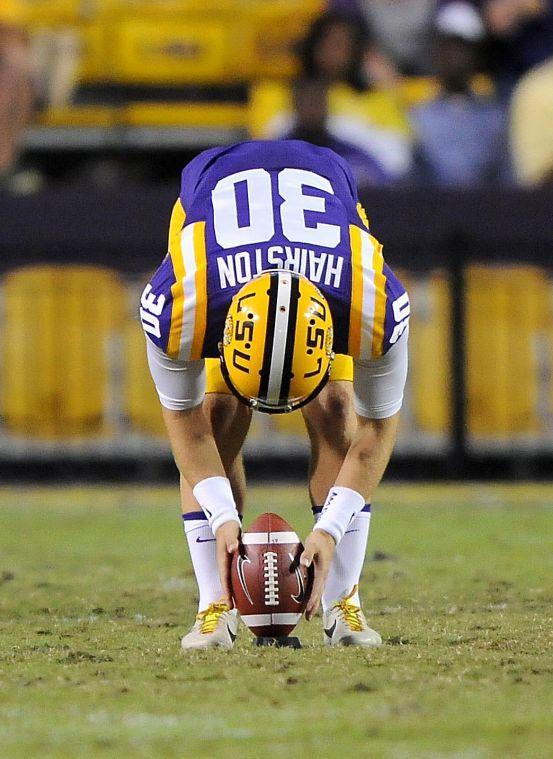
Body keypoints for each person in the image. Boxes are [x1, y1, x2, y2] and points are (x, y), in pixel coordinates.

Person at [140, 139, 410, 650]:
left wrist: (328, 531)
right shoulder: (184, 298)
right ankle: (213, 606)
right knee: (217, 412)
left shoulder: (371, 299)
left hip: (326, 214)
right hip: (213, 205)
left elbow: (375, 430)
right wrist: (221, 517)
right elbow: (186, 423)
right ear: (221, 336)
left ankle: (342, 600)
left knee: (335, 407)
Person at [409, 2, 509, 185]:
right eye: (448, 47)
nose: (454, 56)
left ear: (476, 53)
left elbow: (505, 180)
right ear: (436, 51)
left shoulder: (494, 118)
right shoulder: (417, 116)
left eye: (462, 48)